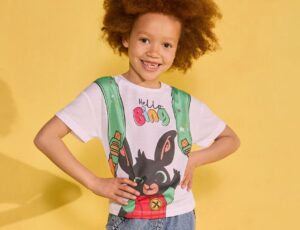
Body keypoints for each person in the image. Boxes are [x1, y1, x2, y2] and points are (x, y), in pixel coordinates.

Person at [34, 0, 240, 229]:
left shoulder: (182, 103)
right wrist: (94, 183)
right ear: (125, 37)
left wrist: (194, 158)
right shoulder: (107, 93)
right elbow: (46, 138)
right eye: (144, 40)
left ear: (178, 49)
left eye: (167, 45)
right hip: (131, 219)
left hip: (181, 217)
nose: (154, 52)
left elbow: (231, 140)